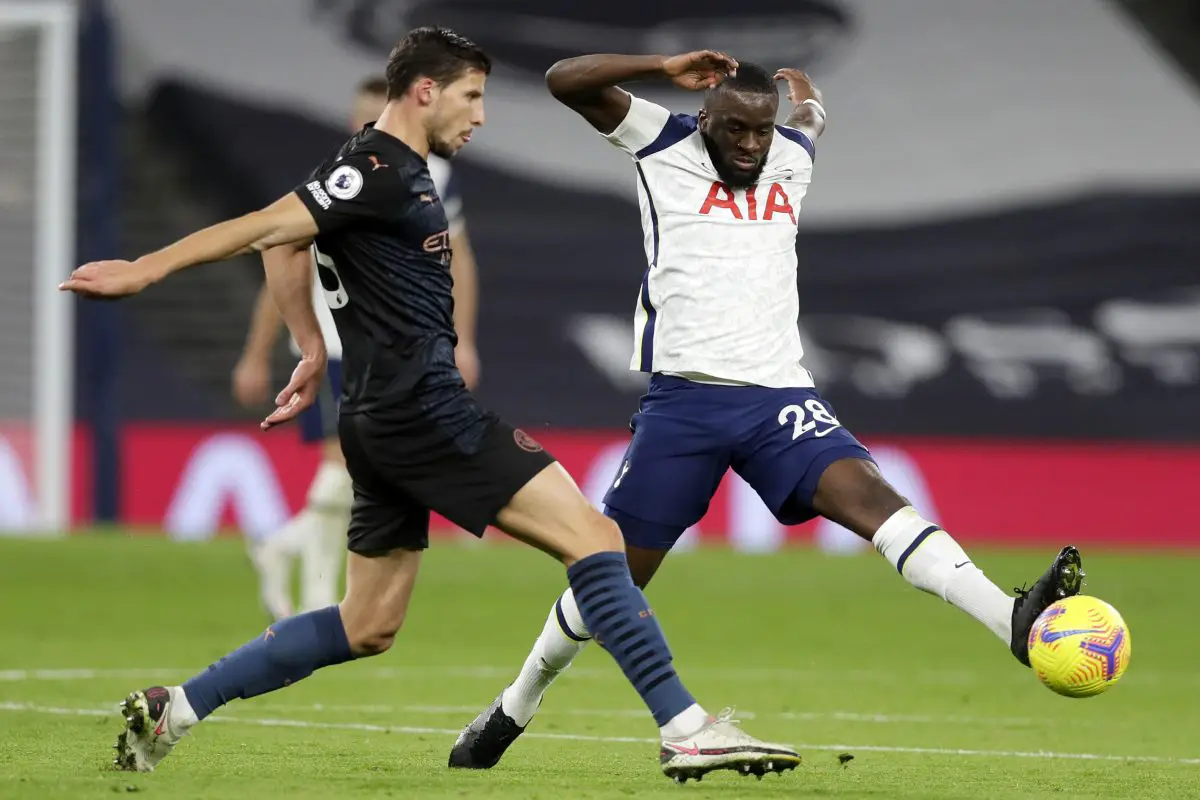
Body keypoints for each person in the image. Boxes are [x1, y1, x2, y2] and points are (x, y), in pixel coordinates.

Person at [60, 29, 800, 783]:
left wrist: (310, 346)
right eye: (471, 95)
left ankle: (176, 708)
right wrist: (145, 270)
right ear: (424, 91)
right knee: (596, 540)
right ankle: (684, 728)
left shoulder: (380, 169)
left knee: (367, 623)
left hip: (375, 418)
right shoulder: (377, 167)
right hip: (423, 409)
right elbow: (259, 229)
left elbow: (283, 243)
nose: (479, 115)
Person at [446, 52, 1085, 771]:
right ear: (706, 117)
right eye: (737, 130)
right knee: (612, 576)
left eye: (763, 130)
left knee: (877, 501)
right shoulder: (661, 140)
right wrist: (662, 64)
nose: (752, 145)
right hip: (684, 402)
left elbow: (809, 122)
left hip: (781, 396)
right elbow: (567, 79)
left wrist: (804, 95)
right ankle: (516, 703)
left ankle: (1010, 620)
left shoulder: (791, 153)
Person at [233, 75, 482, 621]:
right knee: (341, 465)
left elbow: (458, 259)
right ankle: (318, 600)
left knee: (374, 470)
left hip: (411, 349)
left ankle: (285, 550)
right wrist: (258, 351)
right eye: (364, 120)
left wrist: (462, 338)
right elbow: (283, 257)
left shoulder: (437, 176)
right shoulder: (341, 180)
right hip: (347, 344)